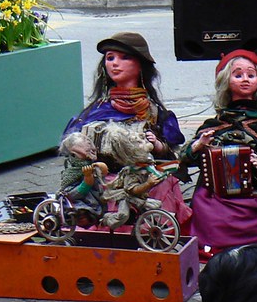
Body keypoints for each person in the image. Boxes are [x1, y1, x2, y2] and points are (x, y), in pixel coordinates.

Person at [61, 32, 190, 225]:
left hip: (142, 178)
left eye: (124, 57)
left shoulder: (154, 112)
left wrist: (157, 146)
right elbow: (70, 145)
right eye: (110, 58)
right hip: (102, 180)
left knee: (160, 184)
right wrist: (77, 147)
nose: (114, 63)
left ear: (140, 65)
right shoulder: (95, 111)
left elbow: (171, 153)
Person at [179, 50, 257, 257]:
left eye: (250, 75)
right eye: (238, 75)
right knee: (203, 199)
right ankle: (213, 239)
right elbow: (186, 158)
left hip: (255, 193)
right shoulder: (215, 124)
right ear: (226, 81)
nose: (245, 80)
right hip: (217, 196)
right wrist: (199, 145)